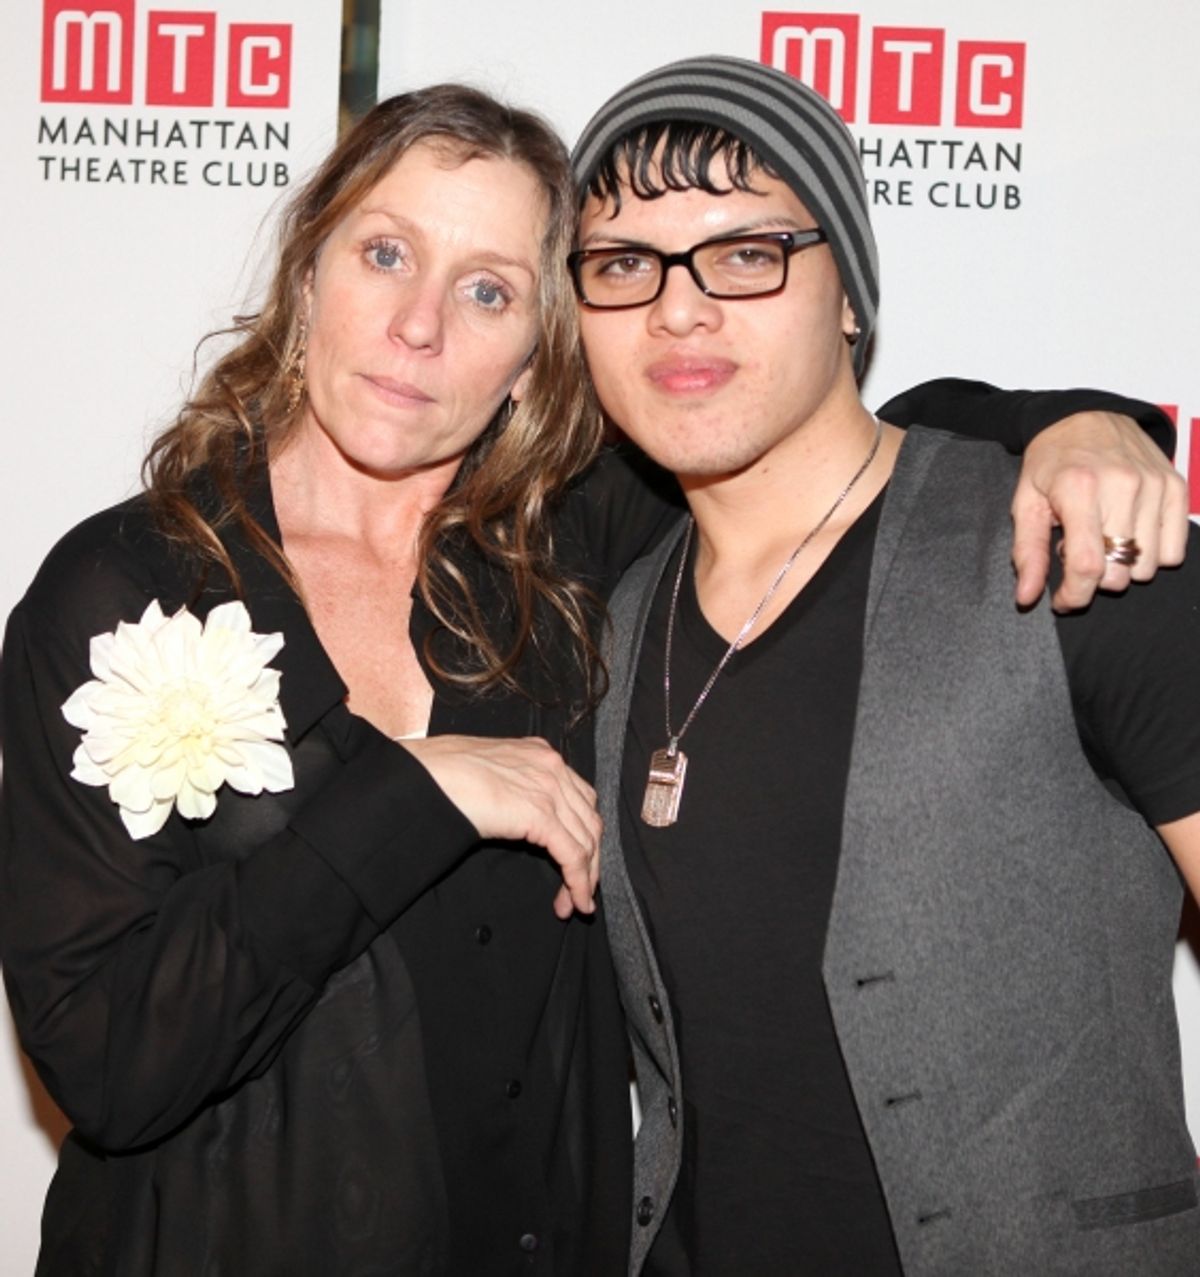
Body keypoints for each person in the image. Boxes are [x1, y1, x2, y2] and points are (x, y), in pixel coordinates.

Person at [0, 80, 1184, 1277]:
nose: (421, 326)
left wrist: (1074, 422)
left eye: (489, 290)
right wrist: (419, 793)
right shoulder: (124, 587)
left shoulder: (573, 547)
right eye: (385, 253)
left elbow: (822, 439)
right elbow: (106, 1062)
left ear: (535, 350)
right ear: (308, 273)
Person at [571, 56, 1200, 1276]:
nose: (679, 308)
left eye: (747, 251)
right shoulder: (609, 609)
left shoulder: (1072, 551)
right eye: (623, 264)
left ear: (849, 295)